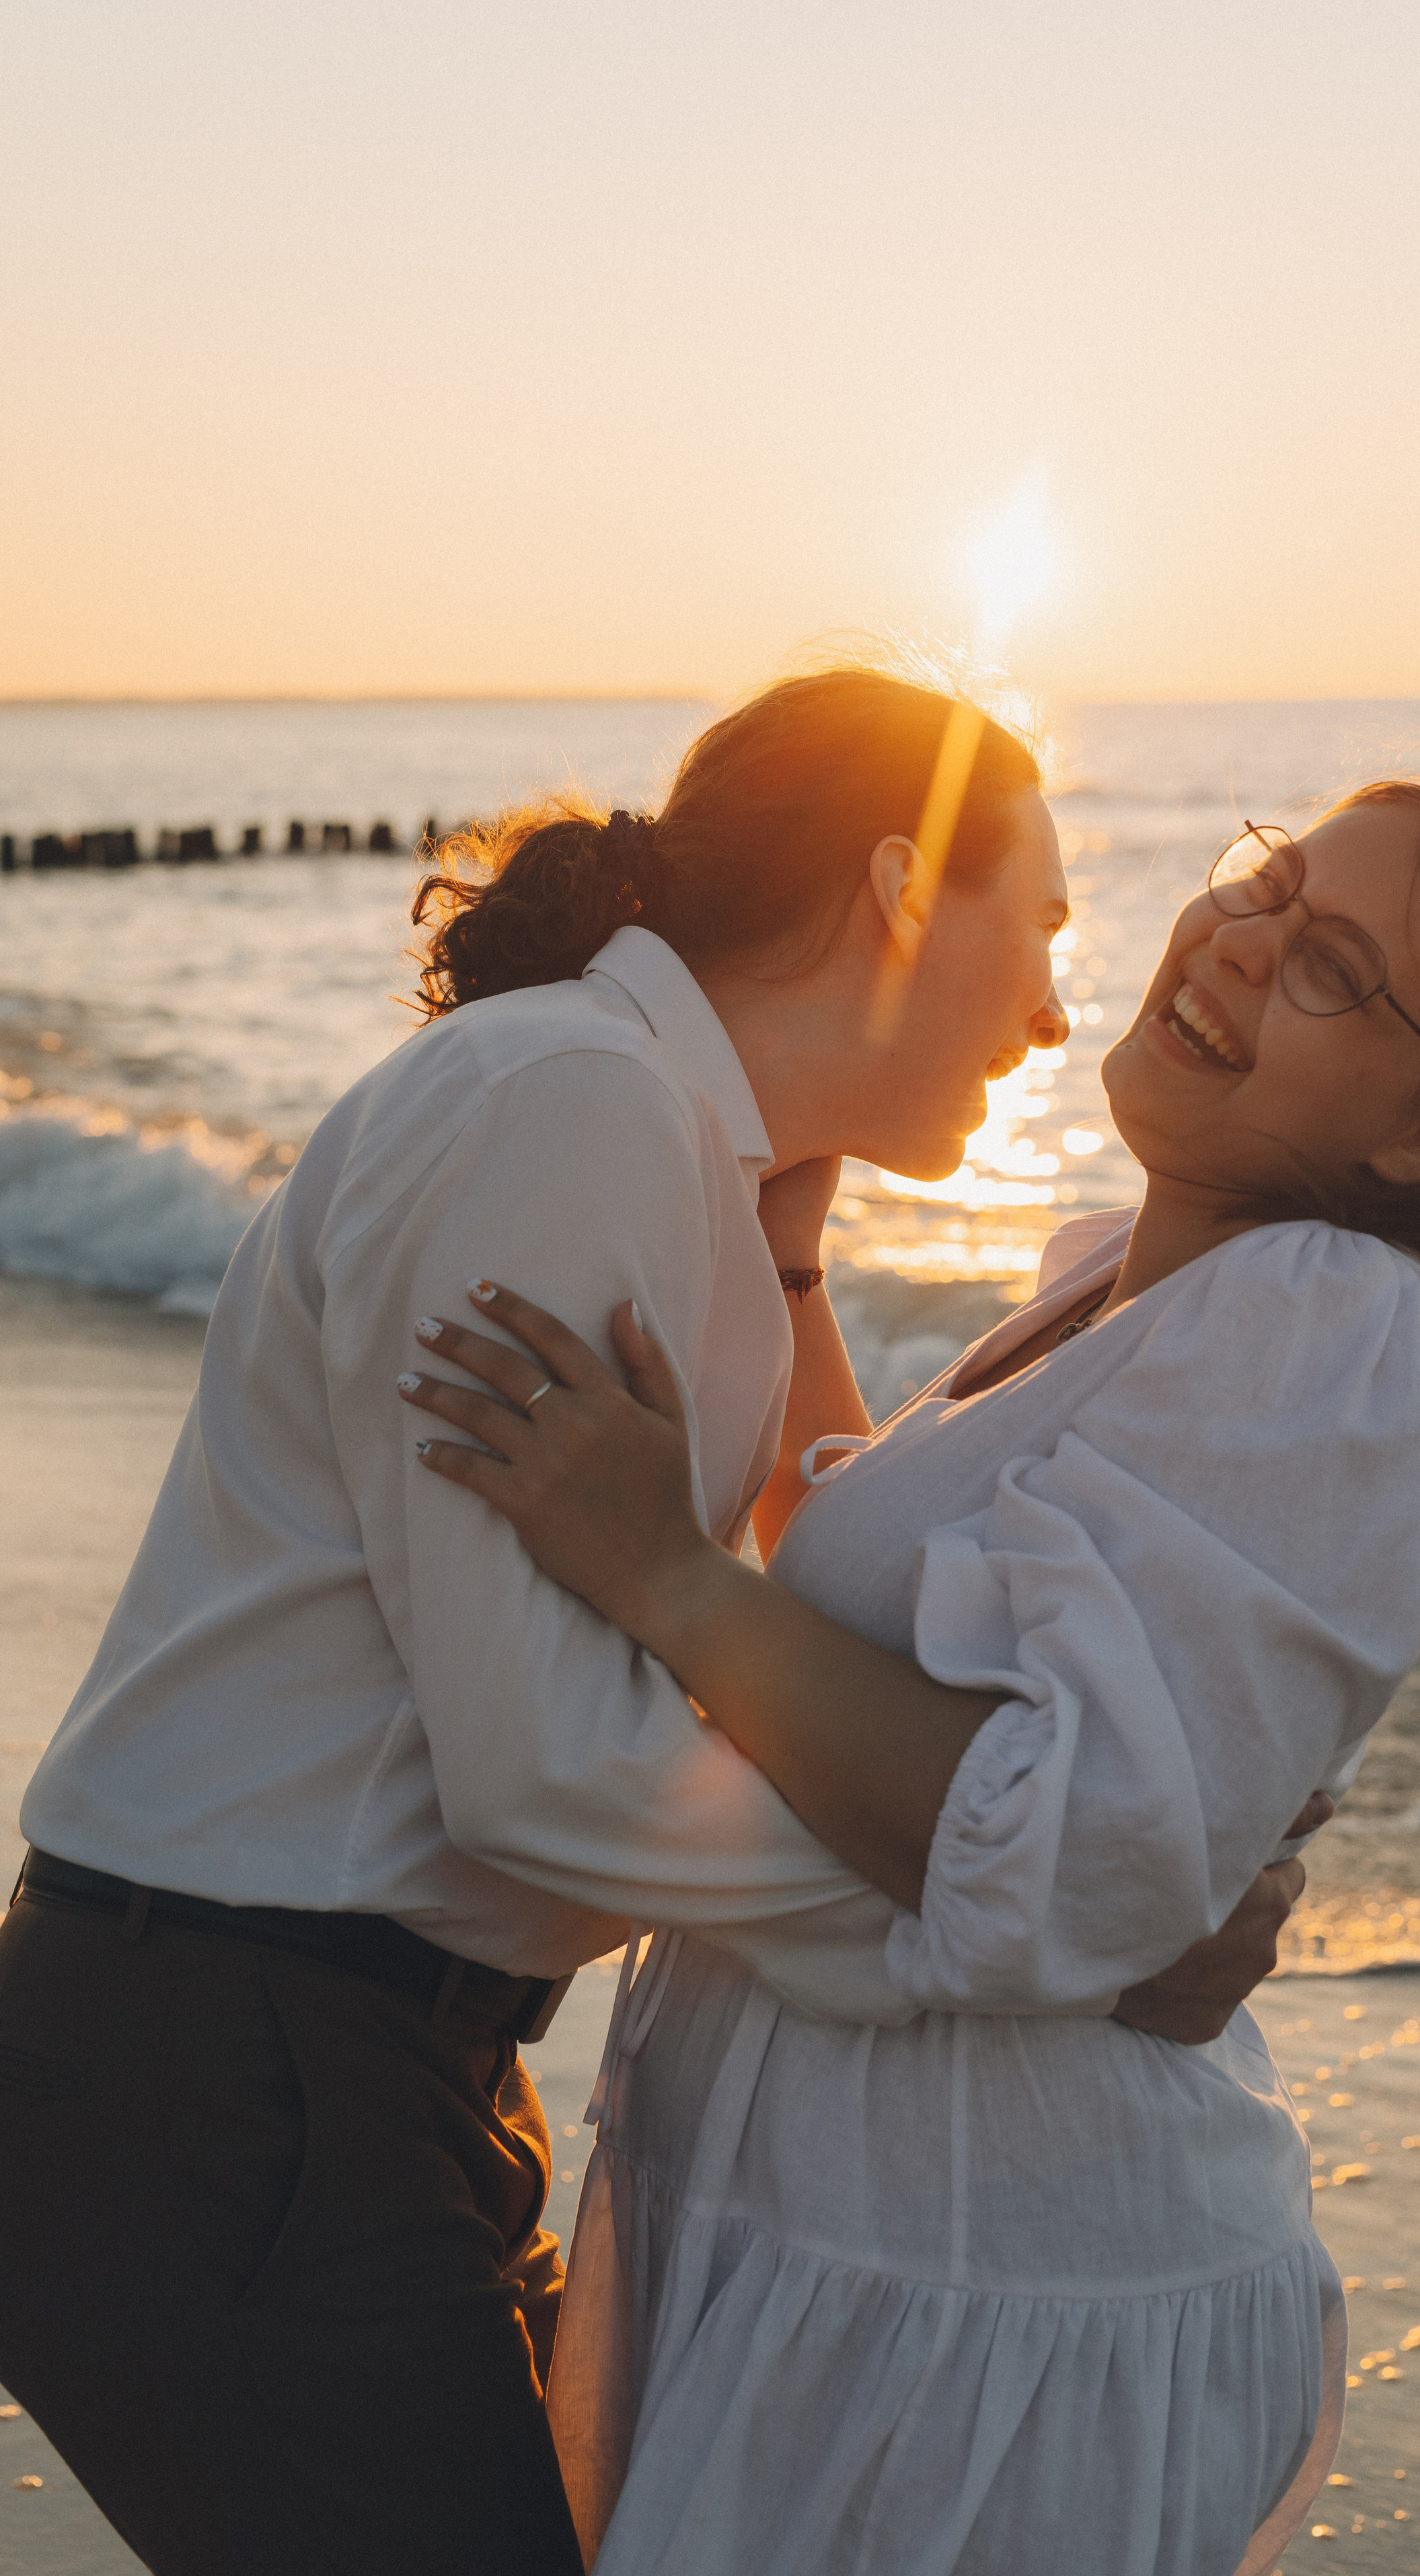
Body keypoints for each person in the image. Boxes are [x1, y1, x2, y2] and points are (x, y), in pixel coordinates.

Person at [0, 665, 1298, 2576]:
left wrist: (789, 1238)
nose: (1046, 1009)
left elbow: (843, 1562)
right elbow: (541, 1776)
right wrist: (1054, 1945)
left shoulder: (651, 1128)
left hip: (335, 2066)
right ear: (895, 889)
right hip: (233, 2082)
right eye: (1038, 926)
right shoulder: (577, 1106)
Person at [399, 780, 1420, 2574]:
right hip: (868, 2249)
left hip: (977, 2297)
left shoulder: (1324, 1321)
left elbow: (1060, 1837)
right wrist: (789, 1258)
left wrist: (665, 1578)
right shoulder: (1131, 1283)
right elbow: (898, 1611)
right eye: (1270, 884)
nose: (1244, 940)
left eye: (1337, 968)